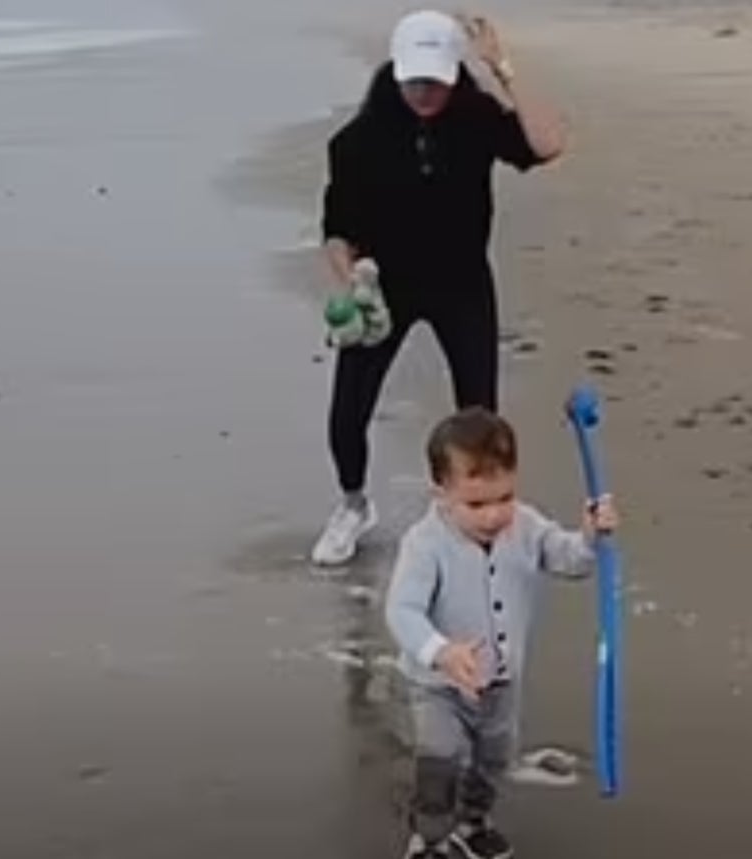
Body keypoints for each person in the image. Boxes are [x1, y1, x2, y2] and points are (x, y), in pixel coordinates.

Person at [311, 9, 566, 567]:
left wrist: (504, 69)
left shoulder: (476, 120)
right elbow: (337, 231)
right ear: (396, 71)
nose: (424, 91)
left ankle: (477, 514)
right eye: (414, 79)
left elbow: (547, 144)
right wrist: (352, 283)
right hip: (386, 289)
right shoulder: (355, 142)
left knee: (480, 416)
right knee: (348, 412)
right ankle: (353, 505)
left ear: (455, 72)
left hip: (462, 283)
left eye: (436, 79)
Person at [385, 407, 618, 858]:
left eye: (504, 497)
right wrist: (442, 652)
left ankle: (474, 823)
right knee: (440, 759)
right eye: (476, 504)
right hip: (438, 684)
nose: (494, 515)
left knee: (493, 761)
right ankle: (430, 838)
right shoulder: (425, 544)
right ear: (441, 493)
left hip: (501, 681)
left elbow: (569, 560)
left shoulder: (526, 526)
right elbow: (403, 610)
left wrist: (590, 538)